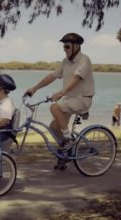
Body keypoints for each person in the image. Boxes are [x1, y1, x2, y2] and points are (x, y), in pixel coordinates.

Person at [24, 33, 94, 168]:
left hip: (82, 99)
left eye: (67, 46)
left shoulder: (84, 60)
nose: (65, 49)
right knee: (54, 127)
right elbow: (52, 76)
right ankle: (65, 154)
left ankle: (68, 139)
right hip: (69, 99)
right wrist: (35, 88)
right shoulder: (65, 62)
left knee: (54, 107)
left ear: (76, 47)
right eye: (64, 47)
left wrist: (61, 93)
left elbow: (76, 79)